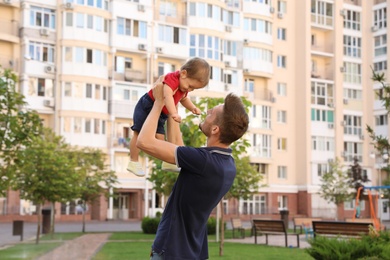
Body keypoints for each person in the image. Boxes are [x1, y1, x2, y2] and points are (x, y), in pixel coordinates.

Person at [137, 79, 249, 260]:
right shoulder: (227, 164)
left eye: (211, 113)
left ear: (215, 129)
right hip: (192, 252)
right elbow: (179, 149)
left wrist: (158, 102)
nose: (207, 112)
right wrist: (172, 108)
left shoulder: (204, 161)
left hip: (172, 250)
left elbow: (144, 142)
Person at [127, 57, 210, 176]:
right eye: (190, 86)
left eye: (193, 89)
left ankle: (167, 161)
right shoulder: (172, 79)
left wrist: (192, 108)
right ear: (183, 73)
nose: (190, 89)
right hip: (147, 106)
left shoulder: (183, 86)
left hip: (161, 112)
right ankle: (133, 161)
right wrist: (174, 113)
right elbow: (167, 96)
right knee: (138, 133)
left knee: (160, 138)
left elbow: (184, 99)